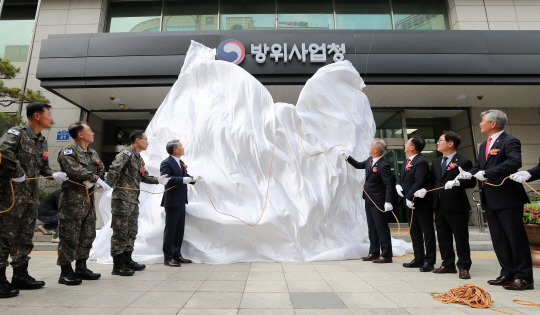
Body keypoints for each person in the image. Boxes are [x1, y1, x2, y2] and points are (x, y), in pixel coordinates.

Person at [458, 109, 532, 290]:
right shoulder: (484, 145)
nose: (480, 123)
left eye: (483, 121)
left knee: (515, 238)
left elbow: (514, 162)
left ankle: (524, 277)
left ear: (493, 124)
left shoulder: (510, 141)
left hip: (508, 198)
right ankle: (507, 273)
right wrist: (469, 174)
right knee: (499, 239)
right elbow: (478, 167)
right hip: (489, 198)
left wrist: (488, 173)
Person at [0, 102, 67, 298]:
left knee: (24, 237)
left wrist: (53, 175)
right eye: (49, 114)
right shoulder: (16, 133)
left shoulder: (41, 141)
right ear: (37, 116)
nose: (51, 118)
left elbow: (43, 166)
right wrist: (16, 171)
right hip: (10, 195)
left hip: (29, 197)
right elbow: (3, 152)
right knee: (4, 236)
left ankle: (20, 275)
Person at [106, 130, 169, 276]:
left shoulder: (139, 158)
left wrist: (157, 180)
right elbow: (114, 168)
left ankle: (128, 259)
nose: (147, 142)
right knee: (120, 231)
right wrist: (107, 184)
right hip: (122, 198)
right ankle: (118, 264)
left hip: (133, 199)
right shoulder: (126, 153)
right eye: (145, 139)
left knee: (131, 230)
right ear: (137, 140)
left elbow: (143, 176)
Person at [56, 121, 112, 285]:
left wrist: (98, 181)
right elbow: (74, 169)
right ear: (80, 134)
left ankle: (81, 267)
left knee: (88, 235)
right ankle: (65, 272)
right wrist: (95, 179)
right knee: (69, 236)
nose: (93, 133)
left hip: (88, 200)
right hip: (72, 201)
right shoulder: (68, 151)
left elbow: (100, 169)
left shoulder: (93, 153)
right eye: (90, 131)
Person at [414, 131, 476, 279]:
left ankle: (464, 266)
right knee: (443, 236)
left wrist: (458, 181)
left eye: (440, 140)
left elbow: (472, 181)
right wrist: (424, 189)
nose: (437, 142)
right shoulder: (436, 162)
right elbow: (432, 181)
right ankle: (448, 263)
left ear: (450, 143)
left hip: (457, 206)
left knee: (461, 237)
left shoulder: (463, 161)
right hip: (439, 205)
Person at [343, 139, 394, 263]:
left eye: (371, 145)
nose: (369, 147)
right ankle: (374, 252)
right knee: (372, 227)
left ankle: (386, 254)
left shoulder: (384, 165)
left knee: (381, 227)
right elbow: (359, 165)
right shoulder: (369, 161)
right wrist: (347, 157)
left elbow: (389, 184)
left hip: (379, 201)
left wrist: (388, 201)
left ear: (377, 149)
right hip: (369, 199)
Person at [396, 135, 435, 272]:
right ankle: (418, 258)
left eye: (407, 142)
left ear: (412, 147)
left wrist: (409, 196)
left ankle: (429, 261)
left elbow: (419, 181)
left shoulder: (421, 162)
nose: (405, 144)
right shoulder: (407, 160)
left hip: (420, 203)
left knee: (427, 232)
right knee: (414, 232)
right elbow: (400, 177)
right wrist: (397, 185)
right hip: (408, 203)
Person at [160, 140, 199, 267]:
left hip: (181, 200)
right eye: (181, 146)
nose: (183, 147)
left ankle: (177, 254)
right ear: (175, 150)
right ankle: (168, 257)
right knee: (171, 230)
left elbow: (184, 176)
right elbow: (165, 179)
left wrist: (192, 179)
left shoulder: (180, 162)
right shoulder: (166, 162)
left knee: (179, 230)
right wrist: (183, 179)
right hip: (172, 201)